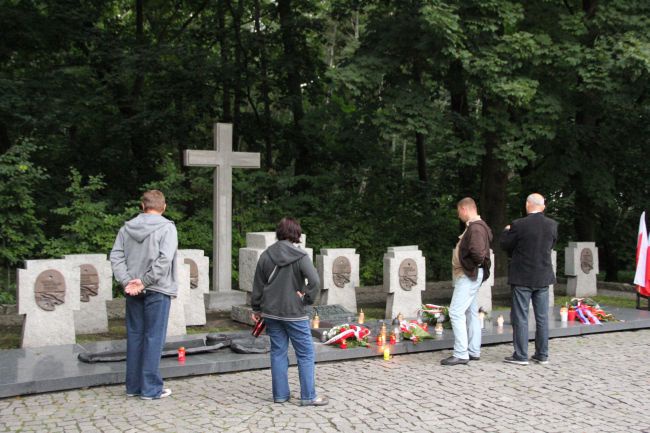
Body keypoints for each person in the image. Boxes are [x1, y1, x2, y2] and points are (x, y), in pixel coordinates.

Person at [110, 190, 178, 399]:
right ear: (163, 207)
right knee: (153, 338)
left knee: (136, 336)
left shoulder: (126, 228)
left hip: (133, 289)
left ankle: (133, 387)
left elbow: (116, 256)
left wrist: (128, 280)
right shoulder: (167, 228)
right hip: (157, 289)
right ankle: (150, 389)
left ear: (142, 206)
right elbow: (164, 260)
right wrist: (144, 281)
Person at [251, 217, 326, 406]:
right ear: (296, 233)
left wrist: (256, 308)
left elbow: (258, 285)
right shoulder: (300, 256)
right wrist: (306, 299)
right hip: (294, 312)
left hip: (271, 313)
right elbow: (315, 282)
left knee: (278, 352)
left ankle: (280, 395)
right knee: (306, 353)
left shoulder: (266, 255)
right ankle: (308, 396)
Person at [500, 193, 558, 366]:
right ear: (543, 206)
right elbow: (551, 245)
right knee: (542, 317)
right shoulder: (552, 225)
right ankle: (542, 354)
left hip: (522, 276)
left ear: (527, 205)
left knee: (521, 316)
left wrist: (506, 231)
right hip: (543, 276)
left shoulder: (518, 225)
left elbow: (506, 245)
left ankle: (521, 355)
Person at [441, 197, 493, 366]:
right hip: (471, 274)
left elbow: (478, 253)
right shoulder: (476, 226)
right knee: (470, 313)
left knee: (455, 312)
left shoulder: (476, 228)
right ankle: (473, 350)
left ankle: (461, 353)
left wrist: (471, 264)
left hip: (468, 275)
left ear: (464, 209)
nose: (459, 216)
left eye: (459, 212)